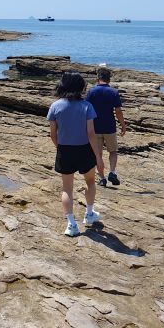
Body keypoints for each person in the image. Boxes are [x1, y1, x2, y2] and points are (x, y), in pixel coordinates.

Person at [47, 72, 105, 237]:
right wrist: (98, 157)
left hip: (65, 150)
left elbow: (53, 134)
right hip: (84, 149)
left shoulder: (55, 106)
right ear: (80, 88)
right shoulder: (86, 106)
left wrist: (61, 147)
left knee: (67, 188)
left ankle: (71, 224)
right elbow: (91, 133)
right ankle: (89, 214)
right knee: (90, 181)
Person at [86, 67, 127, 187]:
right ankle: (112, 172)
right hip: (110, 126)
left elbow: (86, 109)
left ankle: (102, 178)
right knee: (113, 151)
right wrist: (123, 125)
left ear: (98, 78)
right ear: (109, 79)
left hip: (95, 127)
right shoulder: (113, 92)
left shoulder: (91, 91)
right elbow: (118, 111)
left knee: (97, 154)